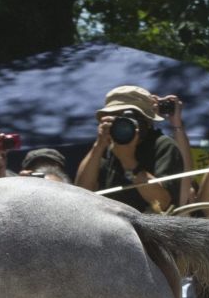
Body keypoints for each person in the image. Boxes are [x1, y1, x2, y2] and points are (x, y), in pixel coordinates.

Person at [75, 85, 183, 213]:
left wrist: (128, 161)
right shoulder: (107, 146)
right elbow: (81, 193)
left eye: (132, 117)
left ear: (147, 121)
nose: (124, 124)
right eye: (117, 118)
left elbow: (162, 202)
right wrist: (98, 145)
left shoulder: (163, 145)